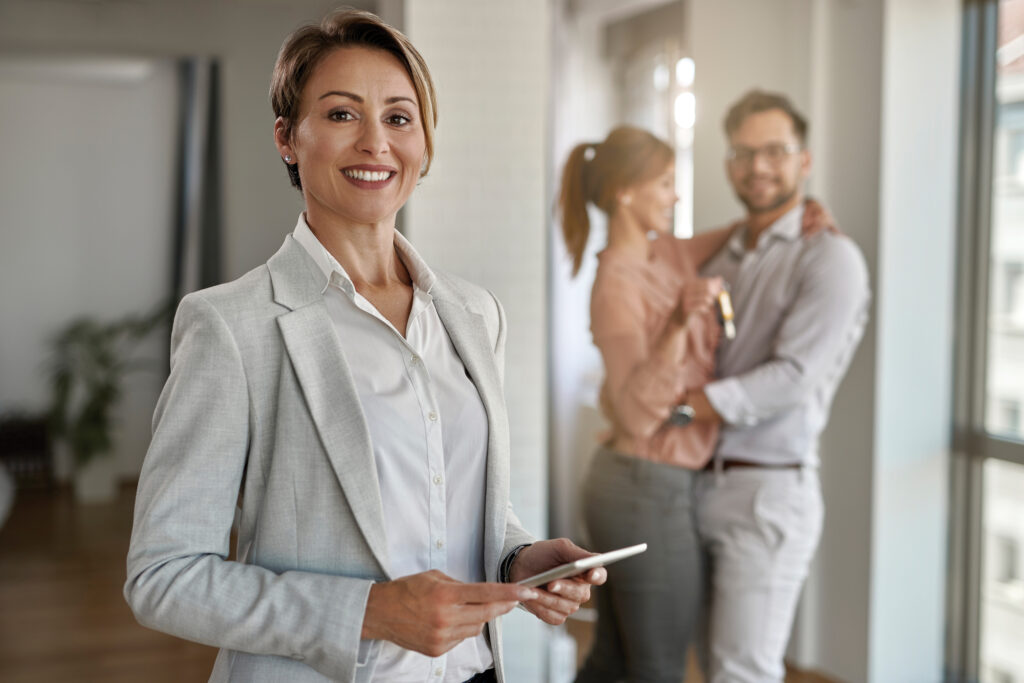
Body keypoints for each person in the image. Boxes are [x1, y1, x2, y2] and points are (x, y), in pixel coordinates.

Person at [124, 10, 603, 683]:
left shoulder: (474, 314)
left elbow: (450, 510)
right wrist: (368, 611)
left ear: (427, 144)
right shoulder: (232, 326)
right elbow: (162, 576)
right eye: (343, 115)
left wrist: (515, 558)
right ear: (288, 138)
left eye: (400, 118)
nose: (376, 142)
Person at [557, 126, 833, 683]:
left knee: (614, 658)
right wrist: (680, 324)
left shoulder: (669, 254)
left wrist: (806, 212)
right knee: (658, 668)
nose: (676, 197)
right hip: (643, 484)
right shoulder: (616, 281)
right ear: (625, 193)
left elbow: (742, 230)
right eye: (665, 184)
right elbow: (636, 414)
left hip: (646, 481)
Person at [682, 90, 870, 682]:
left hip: (767, 494)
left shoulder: (831, 258)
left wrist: (685, 410)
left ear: (804, 160)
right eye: (743, 152)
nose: (757, 166)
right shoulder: (725, 253)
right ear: (727, 163)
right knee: (710, 666)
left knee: (743, 670)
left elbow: (793, 377)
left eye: (774, 151)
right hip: (699, 485)